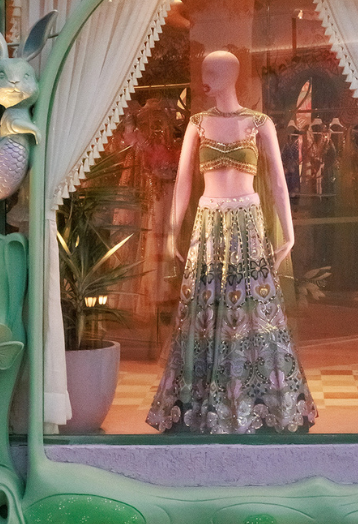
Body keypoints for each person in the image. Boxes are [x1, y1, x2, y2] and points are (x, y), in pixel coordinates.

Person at [146, 51, 317, 434]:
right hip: (208, 227)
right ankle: (199, 408)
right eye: (203, 70)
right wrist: (173, 230)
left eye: (212, 71)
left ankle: (260, 405)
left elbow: (278, 182)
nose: (204, 77)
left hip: (248, 226)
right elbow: (183, 182)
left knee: (254, 313)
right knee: (204, 312)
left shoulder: (259, 123)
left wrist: (288, 232)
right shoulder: (197, 123)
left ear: (231, 75)